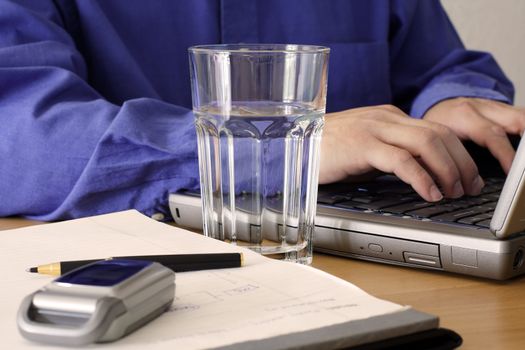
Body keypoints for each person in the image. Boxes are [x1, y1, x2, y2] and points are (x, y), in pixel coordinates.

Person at [0, 0, 523, 221]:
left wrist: (449, 101)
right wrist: (283, 147)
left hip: (369, 273)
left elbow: (439, 66)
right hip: (153, 288)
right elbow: (19, 136)